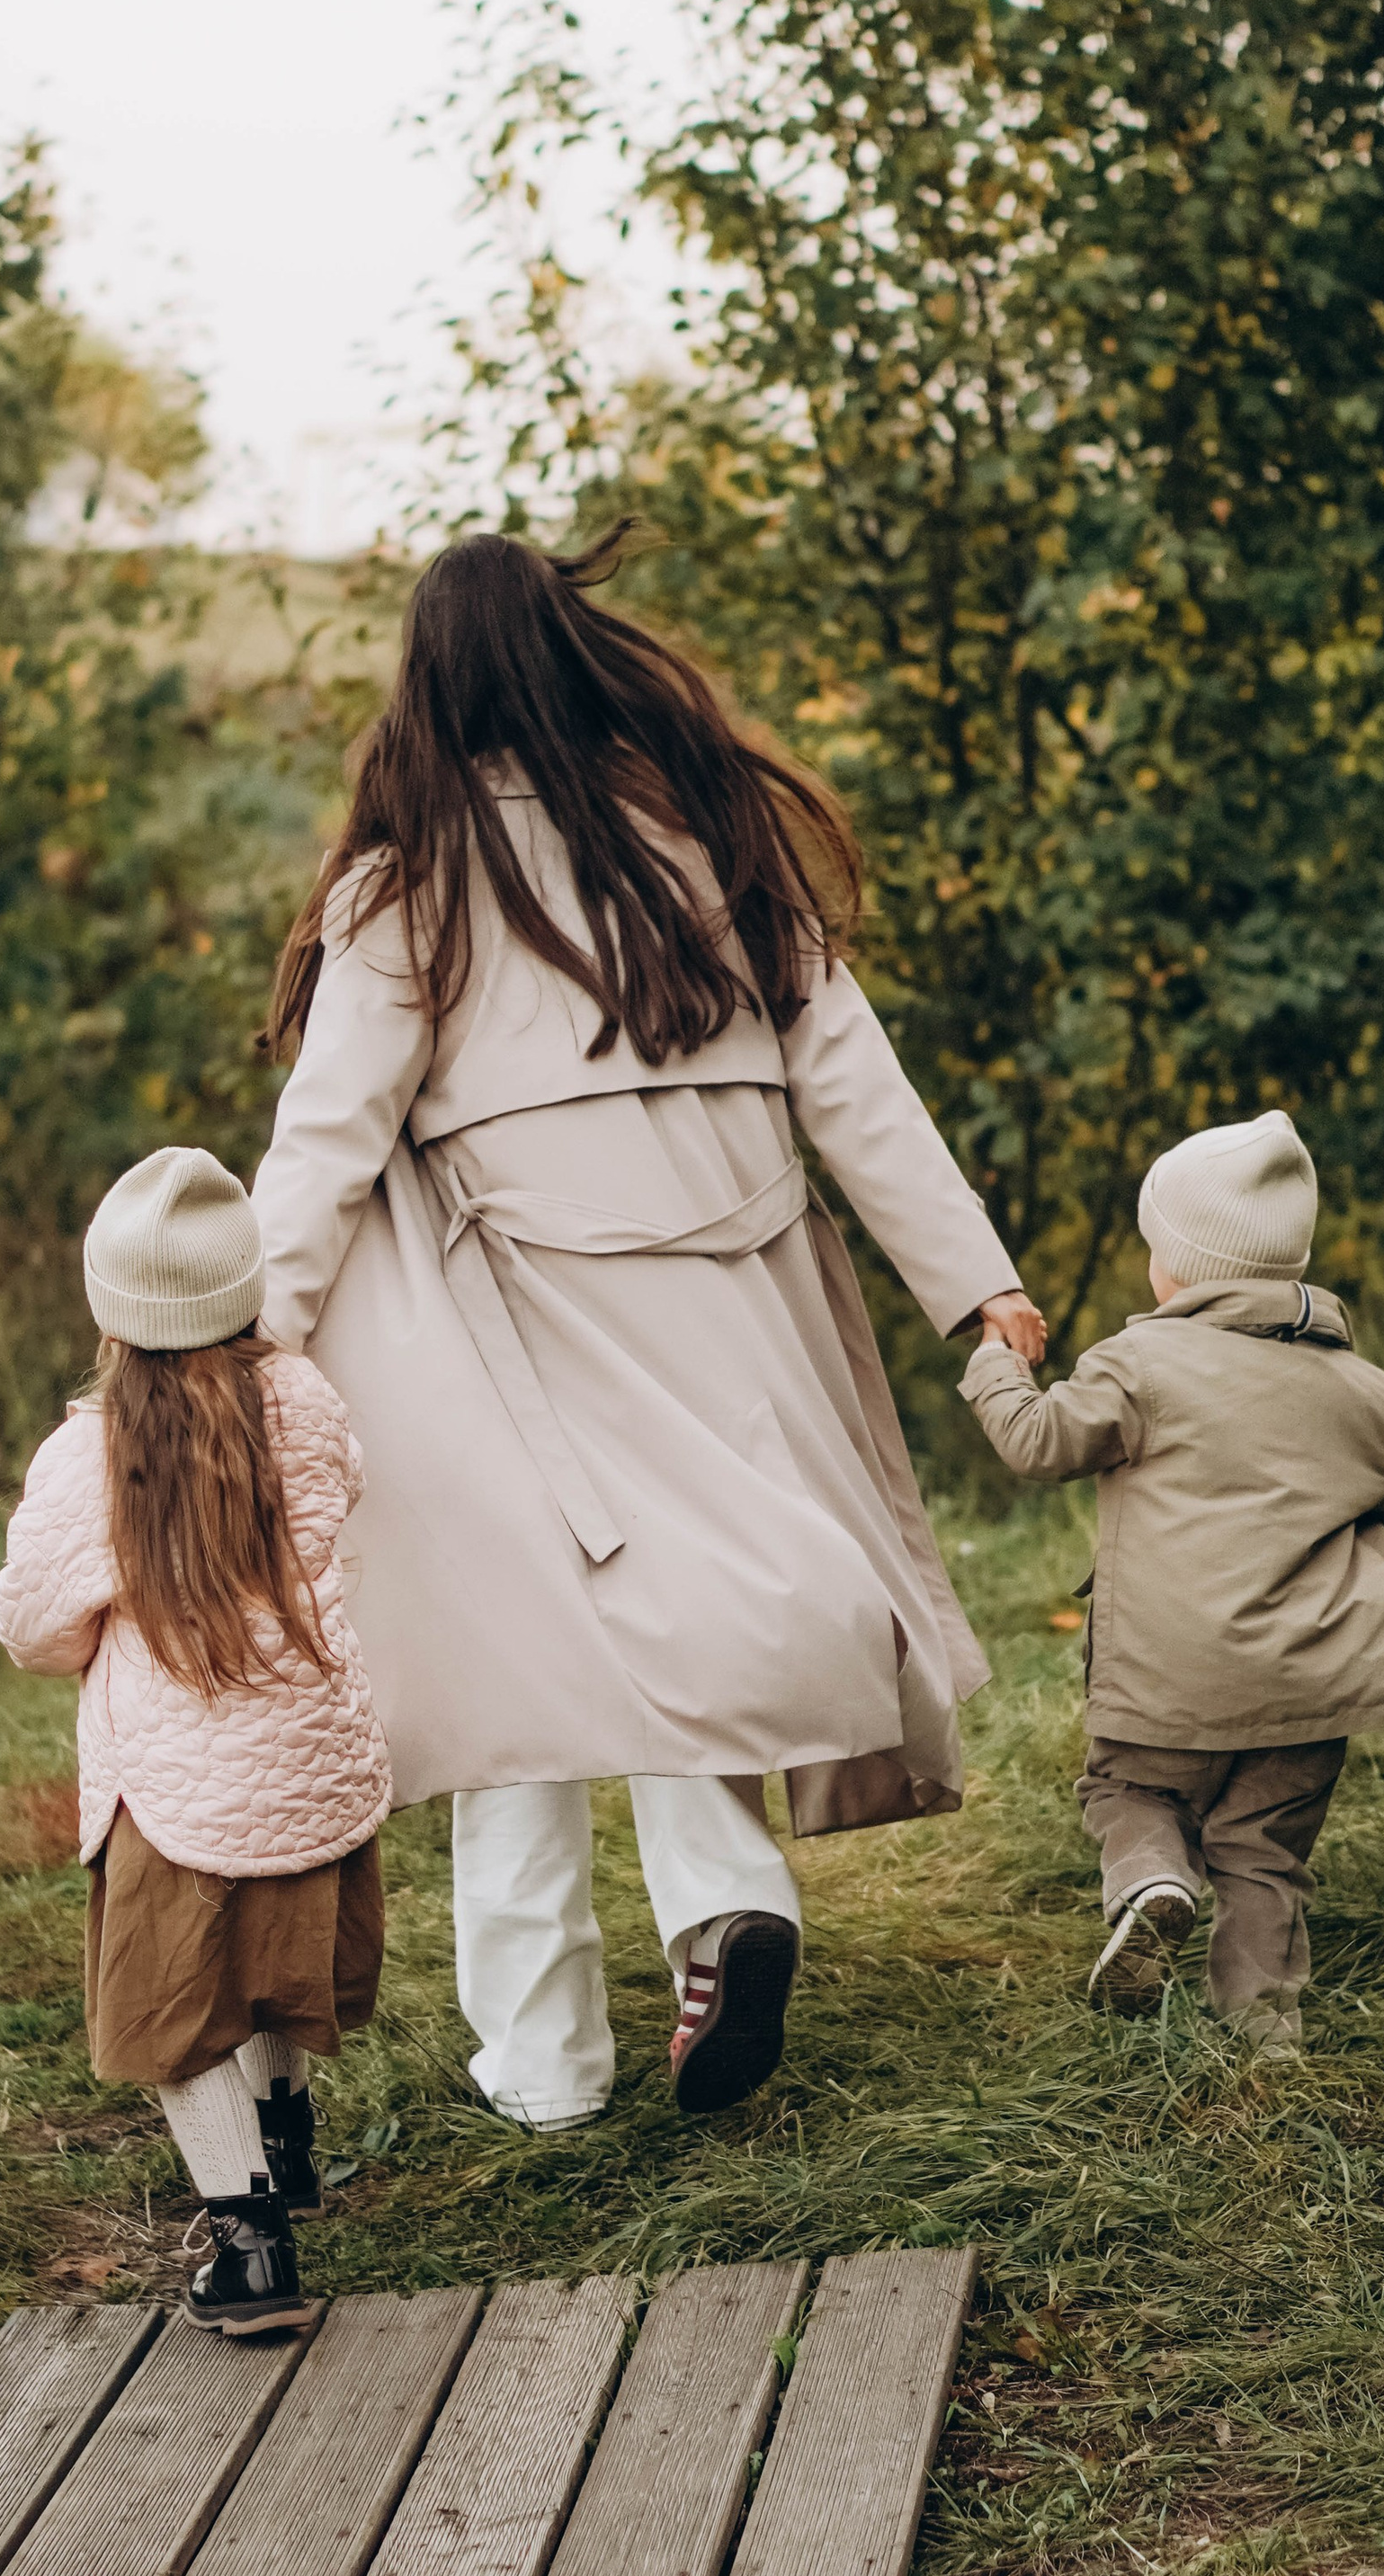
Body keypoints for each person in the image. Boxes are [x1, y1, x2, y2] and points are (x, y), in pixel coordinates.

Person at [250, 525, 1045, 2129]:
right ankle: (724, 1911)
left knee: (511, 1684)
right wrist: (978, 1280)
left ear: (431, 688)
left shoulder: (409, 891)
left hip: (512, 1331)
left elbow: (325, 1142)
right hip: (737, 1310)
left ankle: (541, 2066)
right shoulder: (709, 845)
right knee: (694, 1640)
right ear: (575, 655)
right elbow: (854, 1084)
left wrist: (248, 1342)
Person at [960, 1109, 1384, 2047]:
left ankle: (1153, 1881)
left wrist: (995, 1367)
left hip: (1172, 1671)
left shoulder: (1138, 1366)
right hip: (1310, 1684)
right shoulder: (1363, 1389)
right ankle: (1262, 2027)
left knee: (1128, 1792)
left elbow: (1039, 1443)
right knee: (1266, 1853)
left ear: (1178, 1267)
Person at [0, 1145, 391, 2331]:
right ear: (243, 1292)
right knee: (270, 1966)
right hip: (312, 1761)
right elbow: (344, 1488)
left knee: (182, 2014)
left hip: (177, 1794)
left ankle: (251, 2245)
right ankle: (288, 2144)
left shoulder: (96, 1456)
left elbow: (30, 1624)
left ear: (113, 1312)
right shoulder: (304, 1401)